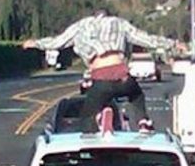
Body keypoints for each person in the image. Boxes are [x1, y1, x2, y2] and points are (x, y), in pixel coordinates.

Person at [23, 9, 182, 132]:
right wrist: (173, 44)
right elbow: (148, 40)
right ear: (108, 15)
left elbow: (57, 42)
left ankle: (98, 118)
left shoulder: (81, 26)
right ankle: (143, 122)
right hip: (122, 76)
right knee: (136, 95)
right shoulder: (120, 23)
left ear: (94, 16)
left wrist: (35, 43)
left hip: (100, 78)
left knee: (87, 118)